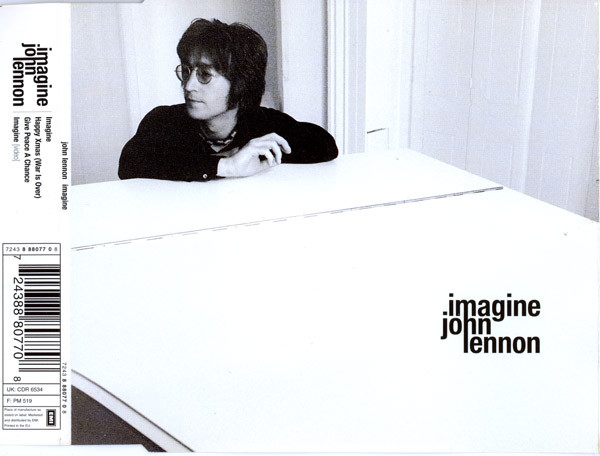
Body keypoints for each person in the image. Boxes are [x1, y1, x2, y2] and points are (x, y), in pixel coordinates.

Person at [118, 19, 338, 182]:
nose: (188, 85)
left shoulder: (261, 123)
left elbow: (324, 145)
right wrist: (226, 166)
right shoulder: (164, 120)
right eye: (186, 71)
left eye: (205, 74)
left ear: (240, 83)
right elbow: (129, 164)